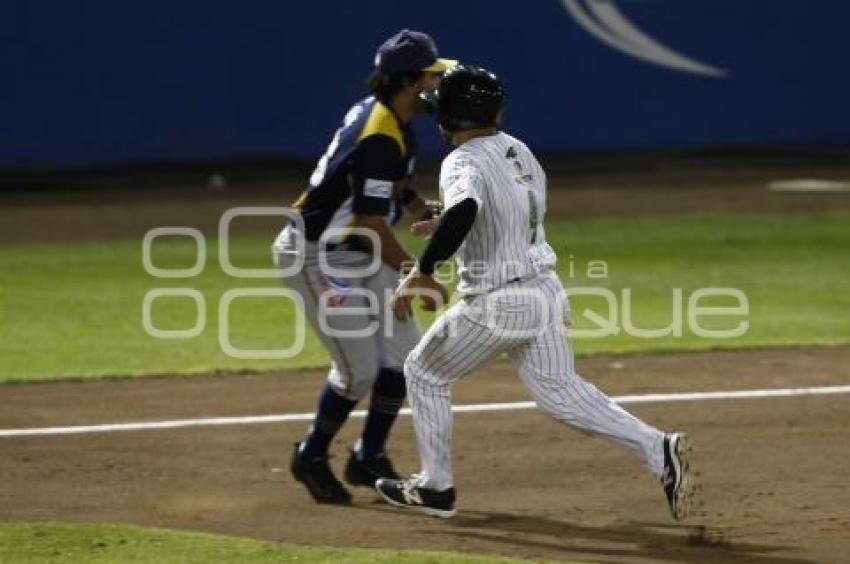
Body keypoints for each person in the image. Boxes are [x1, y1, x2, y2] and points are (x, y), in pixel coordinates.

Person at [375, 65, 695, 520]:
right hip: (543, 291)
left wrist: (423, 269)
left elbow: (467, 207)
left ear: (448, 117)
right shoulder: (518, 150)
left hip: (499, 302)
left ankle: (436, 487)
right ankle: (659, 450)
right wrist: (447, 224)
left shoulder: (461, 161)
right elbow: (500, 212)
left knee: (424, 372)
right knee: (560, 393)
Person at [273, 29, 456, 505]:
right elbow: (369, 225)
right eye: (430, 77)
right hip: (318, 256)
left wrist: (419, 209)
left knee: (405, 357)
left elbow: (390, 186)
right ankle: (311, 455)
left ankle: (367, 455)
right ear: (408, 81)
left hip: (359, 249)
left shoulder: (392, 118)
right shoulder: (380, 133)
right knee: (358, 372)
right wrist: (419, 272)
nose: (436, 86)